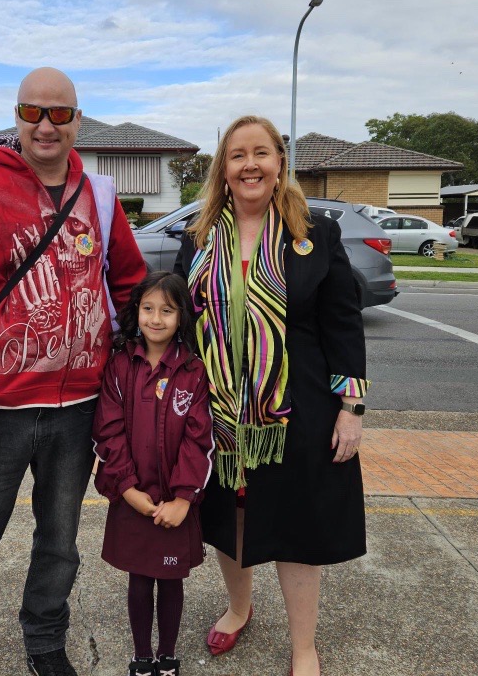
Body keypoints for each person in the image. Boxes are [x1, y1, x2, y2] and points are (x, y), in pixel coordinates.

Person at [0, 67, 147, 676]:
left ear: (77, 120)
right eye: (32, 111)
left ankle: (45, 644)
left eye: (60, 114)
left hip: (78, 410)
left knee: (60, 546)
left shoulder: (98, 195)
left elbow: (129, 283)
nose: (45, 125)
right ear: (16, 116)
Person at [173, 115, 368, 676]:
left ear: (281, 163)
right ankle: (239, 607)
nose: (250, 164)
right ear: (224, 169)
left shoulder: (315, 235)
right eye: (238, 155)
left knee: (297, 526)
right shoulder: (201, 237)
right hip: (218, 412)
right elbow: (187, 321)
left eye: (262, 153)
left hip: (297, 410)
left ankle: (304, 646)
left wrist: (351, 409)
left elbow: (343, 326)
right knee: (228, 519)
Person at [92, 271, 214, 676]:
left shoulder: (194, 372)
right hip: (133, 497)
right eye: (148, 309)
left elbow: (200, 440)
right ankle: (142, 655)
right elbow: (108, 431)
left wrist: (183, 499)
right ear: (136, 312)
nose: (156, 318)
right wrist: (126, 489)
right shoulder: (120, 365)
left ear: (182, 317)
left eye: (167, 310)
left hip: (175, 502)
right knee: (140, 579)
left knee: (172, 578)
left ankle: (167, 655)